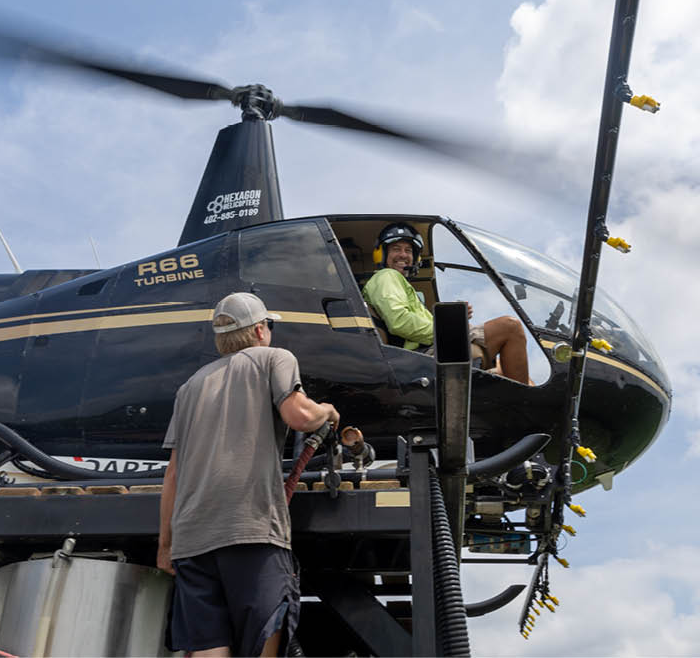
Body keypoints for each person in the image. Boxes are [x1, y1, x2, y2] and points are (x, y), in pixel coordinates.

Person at [157, 292, 339, 657]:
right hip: (250, 532)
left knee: (208, 650)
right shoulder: (275, 358)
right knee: (263, 644)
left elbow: (173, 473)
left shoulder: (188, 387)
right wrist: (327, 412)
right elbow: (299, 416)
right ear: (259, 330)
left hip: (193, 542)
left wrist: (165, 546)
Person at [362, 222, 531, 384]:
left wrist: (452, 319)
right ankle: (527, 405)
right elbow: (399, 321)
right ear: (381, 254)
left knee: (507, 368)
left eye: (408, 250)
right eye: (396, 249)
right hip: (420, 355)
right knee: (510, 327)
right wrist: (449, 330)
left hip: (425, 349)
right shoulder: (387, 276)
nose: (403, 255)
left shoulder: (398, 284)